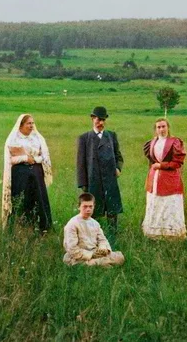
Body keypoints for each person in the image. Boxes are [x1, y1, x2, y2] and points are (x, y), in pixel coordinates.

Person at [1, 114, 53, 232]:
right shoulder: (13, 139)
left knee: (38, 198)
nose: (31, 126)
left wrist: (34, 159)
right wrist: (24, 158)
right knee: (21, 200)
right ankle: (20, 228)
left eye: (32, 123)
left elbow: (44, 157)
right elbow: (10, 160)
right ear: (21, 125)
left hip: (36, 173)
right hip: (19, 174)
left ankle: (42, 228)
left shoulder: (37, 138)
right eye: (28, 123)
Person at [76, 106, 124, 234]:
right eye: (98, 119)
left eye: (103, 120)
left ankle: (113, 235)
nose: (101, 123)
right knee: (93, 211)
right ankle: (92, 234)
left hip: (110, 180)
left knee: (112, 209)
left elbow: (118, 156)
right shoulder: (84, 138)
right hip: (93, 180)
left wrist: (118, 168)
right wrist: (83, 184)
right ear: (92, 118)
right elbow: (80, 163)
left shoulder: (111, 136)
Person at [142, 118, 187, 239]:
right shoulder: (152, 142)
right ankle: (154, 232)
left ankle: (172, 233)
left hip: (170, 178)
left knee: (169, 204)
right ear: (155, 129)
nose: (161, 129)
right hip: (154, 178)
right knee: (155, 202)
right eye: (159, 127)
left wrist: (162, 165)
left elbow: (177, 163)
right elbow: (152, 160)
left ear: (168, 128)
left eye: (163, 126)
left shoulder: (174, 142)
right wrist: (156, 167)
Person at [63, 193, 125, 267]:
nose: (88, 209)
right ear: (79, 207)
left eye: (90, 206)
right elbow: (71, 248)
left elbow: (102, 239)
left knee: (120, 257)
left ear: (94, 207)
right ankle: (96, 264)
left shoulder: (95, 223)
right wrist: (91, 254)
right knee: (102, 263)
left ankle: (98, 263)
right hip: (79, 256)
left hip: (95, 252)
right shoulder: (72, 223)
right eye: (85, 207)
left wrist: (103, 249)